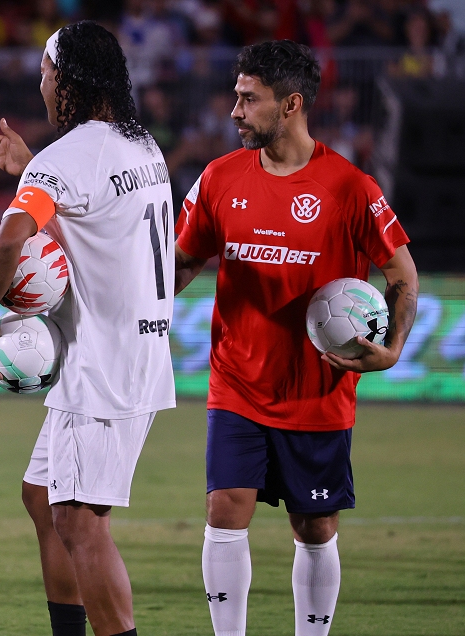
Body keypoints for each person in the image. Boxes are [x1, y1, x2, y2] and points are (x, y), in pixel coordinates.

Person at [173, 41, 417, 636]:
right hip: (237, 384)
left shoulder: (351, 188)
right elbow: (179, 267)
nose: (234, 110)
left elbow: (402, 277)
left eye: (247, 98)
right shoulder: (219, 178)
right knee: (224, 509)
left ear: (291, 105)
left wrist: (392, 348)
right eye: (235, 95)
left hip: (317, 392)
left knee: (315, 527)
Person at [0, 22, 175, 636]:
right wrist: (33, 168)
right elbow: (92, 229)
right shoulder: (142, 148)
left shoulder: (68, 158)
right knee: (42, 496)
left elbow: (9, 240)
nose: (42, 89)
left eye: (46, 75)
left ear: (72, 80)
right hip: (134, 352)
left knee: (82, 521)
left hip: (102, 366)